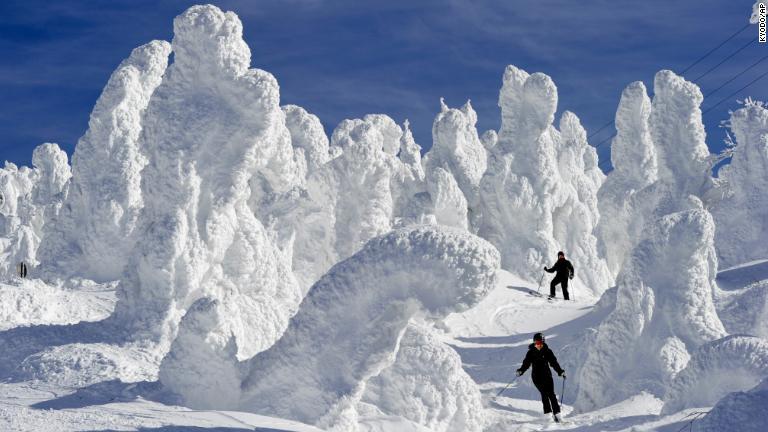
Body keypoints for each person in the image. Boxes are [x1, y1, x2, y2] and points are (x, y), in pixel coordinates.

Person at [516, 332, 566, 422]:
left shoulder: (547, 351)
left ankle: (558, 415)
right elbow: (526, 363)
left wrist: (560, 371)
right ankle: (548, 415)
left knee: (551, 394)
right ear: (534, 342)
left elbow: (553, 362)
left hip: (547, 375)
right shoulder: (531, 352)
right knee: (544, 394)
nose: (539, 345)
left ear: (543, 342)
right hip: (536, 377)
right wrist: (521, 370)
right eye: (537, 343)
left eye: (541, 342)